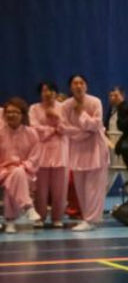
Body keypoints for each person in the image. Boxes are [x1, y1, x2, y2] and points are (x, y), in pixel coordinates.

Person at [62, 74, 109, 231]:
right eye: (75, 83)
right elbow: (64, 128)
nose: (78, 86)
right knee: (80, 186)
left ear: (86, 86)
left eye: (82, 83)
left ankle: (92, 220)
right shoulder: (66, 105)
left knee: (94, 186)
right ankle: (85, 217)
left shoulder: (95, 102)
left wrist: (81, 112)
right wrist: (84, 133)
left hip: (95, 148)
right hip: (77, 149)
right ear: (70, 87)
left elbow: (96, 125)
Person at [30, 81, 69, 228]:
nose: (48, 93)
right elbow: (34, 129)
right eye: (44, 90)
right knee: (40, 188)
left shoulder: (64, 108)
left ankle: (57, 217)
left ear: (56, 93)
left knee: (60, 188)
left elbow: (67, 129)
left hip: (61, 151)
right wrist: (53, 130)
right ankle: (39, 217)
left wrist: (56, 118)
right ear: (40, 93)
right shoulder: (34, 108)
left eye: (51, 90)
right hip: (41, 152)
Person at [1, 98, 42, 233]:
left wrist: (23, 167)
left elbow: (35, 157)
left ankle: (10, 221)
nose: (11, 115)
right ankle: (28, 207)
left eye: (15, 112)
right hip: (2, 170)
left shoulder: (31, 133)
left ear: (22, 115)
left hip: (25, 171)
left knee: (16, 175)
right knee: (13, 176)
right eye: (8, 112)